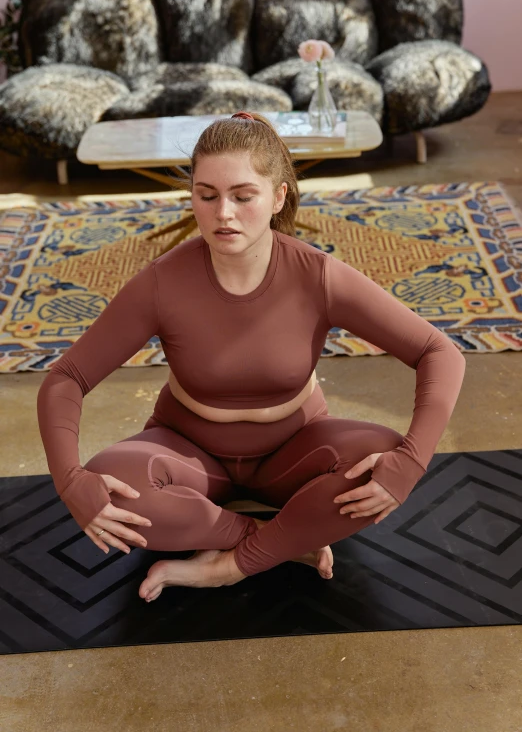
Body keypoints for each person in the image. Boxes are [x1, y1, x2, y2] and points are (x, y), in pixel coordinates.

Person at [37, 110, 466, 602]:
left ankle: (226, 566)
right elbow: (67, 376)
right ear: (192, 195)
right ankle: (282, 541)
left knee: (379, 469)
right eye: (207, 195)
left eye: (243, 196)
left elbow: (440, 352)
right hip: (187, 451)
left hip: (297, 449)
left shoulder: (318, 275)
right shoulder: (161, 283)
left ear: (277, 196)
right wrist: (71, 483)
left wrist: (410, 463)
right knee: (109, 492)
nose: (224, 214)